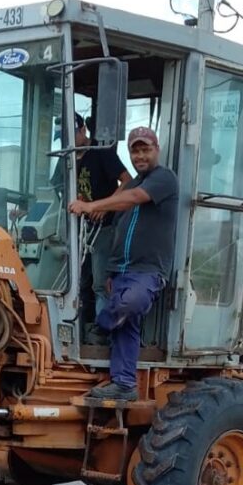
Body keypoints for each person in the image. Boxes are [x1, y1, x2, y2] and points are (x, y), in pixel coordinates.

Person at [68, 126, 178, 401]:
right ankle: (125, 383)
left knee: (130, 304)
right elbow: (119, 228)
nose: (140, 156)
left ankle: (102, 325)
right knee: (128, 326)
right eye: (135, 150)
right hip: (121, 269)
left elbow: (132, 199)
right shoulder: (131, 184)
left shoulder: (163, 178)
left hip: (148, 270)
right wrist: (110, 269)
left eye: (145, 149)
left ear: (157, 150)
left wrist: (93, 206)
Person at [54, 114, 131, 326]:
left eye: (69, 136)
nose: (65, 142)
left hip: (102, 228)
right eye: (61, 138)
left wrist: (106, 206)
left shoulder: (101, 153)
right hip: (76, 229)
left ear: (82, 131)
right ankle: (79, 327)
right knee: (77, 281)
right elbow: (54, 189)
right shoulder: (66, 158)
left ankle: (102, 330)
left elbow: (127, 181)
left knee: (99, 283)